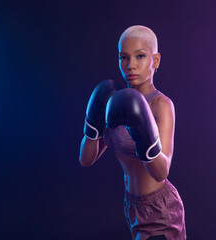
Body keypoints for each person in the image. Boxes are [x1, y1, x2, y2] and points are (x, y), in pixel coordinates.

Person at [79, 25, 186, 240]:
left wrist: (143, 130)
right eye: (124, 58)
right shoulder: (115, 101)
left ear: (155, 61)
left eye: (140, 56)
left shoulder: (161, 105)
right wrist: (92, 126)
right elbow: (86, 159)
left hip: (160, 210)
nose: (131, 65)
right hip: (132, 208)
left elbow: (162, 171)